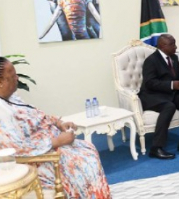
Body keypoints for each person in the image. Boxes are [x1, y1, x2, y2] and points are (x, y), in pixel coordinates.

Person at [0, 57, 111, 198]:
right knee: (84, 160)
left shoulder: (13, 97)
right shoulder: (1, 112)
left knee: (88, 148)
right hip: (40, 158)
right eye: (12, 76)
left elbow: (37, 114)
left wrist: (59, 123)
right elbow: (17, 148)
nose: (17, 78)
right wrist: (57, 142)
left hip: (50, 142)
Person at [139, 34, 179, 159]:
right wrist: (171, 84)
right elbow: (150, 83)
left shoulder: (174, 58)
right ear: (163, 46)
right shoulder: (151, 61)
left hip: (169, 93)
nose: (176, 47)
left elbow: (178, 76)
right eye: (172, 44)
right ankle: (156, 148)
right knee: (169, 106)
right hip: (151, 95)